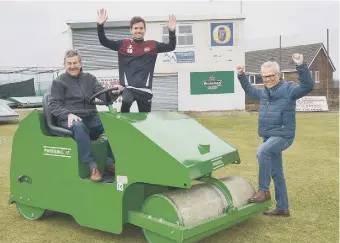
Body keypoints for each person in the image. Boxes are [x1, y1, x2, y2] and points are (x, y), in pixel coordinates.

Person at [236, 53, 314, 216]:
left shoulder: (290, 89)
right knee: (277, 173)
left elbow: (307, 86)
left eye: (271, 76)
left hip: (283, 135)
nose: (267, 79)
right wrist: (241, 75)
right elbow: (249, 89)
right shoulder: (263, 92)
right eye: (264, 76)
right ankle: (282, 208)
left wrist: (301, 65)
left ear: (278, 75)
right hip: (268, 136)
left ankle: (263, 190)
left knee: (262, 151)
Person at [48, 49, 119, 182]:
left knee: (113, 124)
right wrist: (68, 114)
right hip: (69, 119)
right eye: (69, 63)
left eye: (75, 63)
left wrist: (115, 93)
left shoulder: (90, 79)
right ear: (64, 65)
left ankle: (109, 162)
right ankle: (92, 166)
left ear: (80, 64)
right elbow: (53, 105)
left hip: (90, 117)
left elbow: (103, 95)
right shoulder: (58, 82)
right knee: (79, 126)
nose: (72, 66)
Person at [96, 8, 177, 113]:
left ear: (144, 30)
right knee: (126, 101)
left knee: (145, 119)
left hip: (145, 91)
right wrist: (100, 26)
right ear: (131, 30)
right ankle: (124, 125)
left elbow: (171, 46)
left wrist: (171, 31)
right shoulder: (123, 44)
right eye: (136, 28)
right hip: (128, 88)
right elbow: (104, 42)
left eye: (141, 28)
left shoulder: (152, 45)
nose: (138, 31)